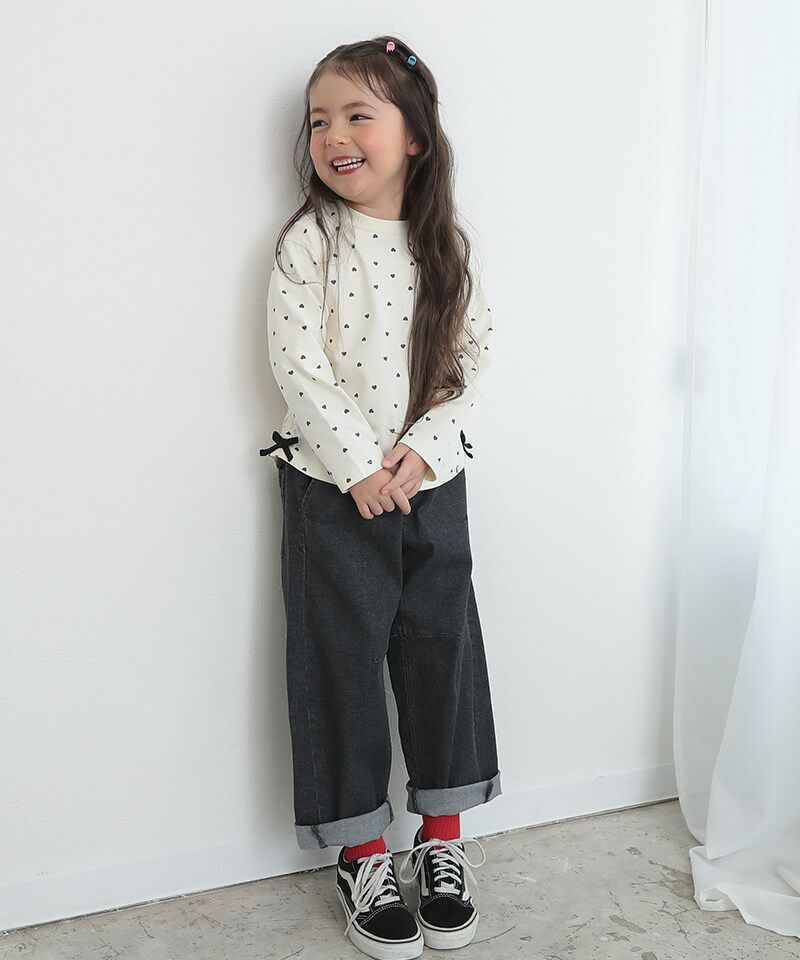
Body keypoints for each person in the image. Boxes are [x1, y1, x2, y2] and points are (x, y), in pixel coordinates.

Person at [260, 35, 502, 960]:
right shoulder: (309, 243)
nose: (334, 135)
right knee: (341, 662)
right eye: (319, 119)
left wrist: (420, 452)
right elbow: (297, 362)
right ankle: (362, 853)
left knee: (445, 650)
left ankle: (442, 840)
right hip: (331, 489)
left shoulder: (447, 249)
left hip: (431, 483)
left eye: (358, 114)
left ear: (416, 136)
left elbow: (471, 361)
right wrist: (361, 463)